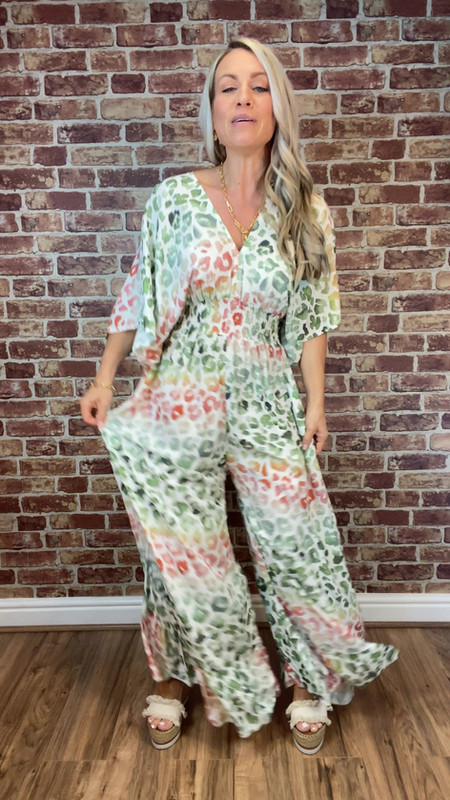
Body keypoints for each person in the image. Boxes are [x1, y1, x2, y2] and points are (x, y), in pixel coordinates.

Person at [80, 37, 399, 754]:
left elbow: (311, 315)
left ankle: (307, 675)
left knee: (296, 541)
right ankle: (175, 677)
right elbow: (138, 292)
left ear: (276, 105)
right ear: (213, 109)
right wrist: (105, 377)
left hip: (266, 391)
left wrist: (315, 402)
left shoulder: (305, 209)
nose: (244, 98)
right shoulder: (175, 200)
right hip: (181, 389)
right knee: (181, 545)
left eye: (258, 85)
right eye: (229, 87)